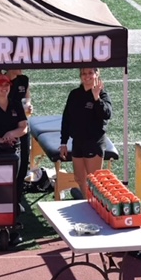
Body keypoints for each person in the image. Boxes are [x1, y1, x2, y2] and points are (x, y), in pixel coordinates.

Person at [0, 70, 32, 210]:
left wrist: (12, 133)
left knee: (16, 177)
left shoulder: (16, 103)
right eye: (0, 85)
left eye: (6, 85)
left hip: (15, 147)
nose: (4, 88)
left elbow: (24, 126)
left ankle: (13, 207)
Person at [59, 68, 112, 198]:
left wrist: (96, 97)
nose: (86, 76)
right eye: (83, 73)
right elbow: (67, 119)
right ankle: (86, 201)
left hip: (93, 142)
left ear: (96, 75)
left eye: (90, 73)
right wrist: (63, 142)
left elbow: (106, 114)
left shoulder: (102, 95)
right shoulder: (74, 94)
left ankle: (96, 206)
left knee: (94, 180)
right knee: (79, 178)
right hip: (77, 141)